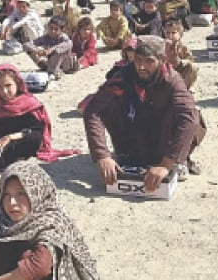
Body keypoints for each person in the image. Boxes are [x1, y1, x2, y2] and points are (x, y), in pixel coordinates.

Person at [84, 35, 206, 185]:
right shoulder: (124, 76)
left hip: (164, 139)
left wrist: (166, 164)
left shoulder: (172, 80)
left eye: (149, 61)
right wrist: (102, 155)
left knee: (191, 114)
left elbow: (188, 118)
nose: (142, 67)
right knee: (108, 104)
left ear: (161, 61)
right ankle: (128, 156)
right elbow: (93, 110)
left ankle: (176, 161)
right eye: (138, 60)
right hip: (136, 136)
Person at [0, 65, 73, 173]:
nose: (4, 91)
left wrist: (11, 137)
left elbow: (37, 130)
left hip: (19, 139)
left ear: (17, 84)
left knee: (33, 140)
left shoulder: (28, 102)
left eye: (8, 86)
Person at [164, 20, 198, 90]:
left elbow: (190, 60)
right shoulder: (161, 46)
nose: (170, 36)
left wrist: (180, 62)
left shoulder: (183, 48)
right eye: (168, 33)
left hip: (179, 71)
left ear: (180, 35)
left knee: (193, 67)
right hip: (165, 71)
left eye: (173, 33)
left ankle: (184, 88)